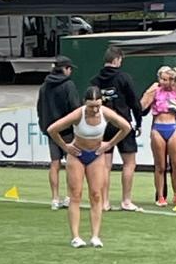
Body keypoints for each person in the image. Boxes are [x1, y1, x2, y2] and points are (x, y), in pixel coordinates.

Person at [46, 86, 133, 247]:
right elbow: (52, 129)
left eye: (97, 105)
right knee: (75, 195)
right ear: (85, 103)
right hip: (77, 155)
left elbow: (126, 127)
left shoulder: (105, 112)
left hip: (96, 155)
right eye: (91, 105)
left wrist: (109, 144)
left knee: (96, 194)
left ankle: (95, 236)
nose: (94, 109)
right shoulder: (79, 114)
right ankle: (76, 236)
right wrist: (66, 147)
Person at [90, 46, 145, 211]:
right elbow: (134, 102)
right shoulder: (124, 78)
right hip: (122, 123)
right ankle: (126, 200)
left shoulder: (95, 80)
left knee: (105, 165)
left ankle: (104, 202)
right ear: (116, 60)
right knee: (129, 162)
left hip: (103, 125)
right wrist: (139, 121)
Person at [36, 56, 79, 210]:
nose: (71, 71)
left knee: (54, 163)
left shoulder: (44, 86)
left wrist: (45, 127)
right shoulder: (68, 85)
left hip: (51, 129)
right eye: (69, 68)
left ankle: (55, 198)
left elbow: (40, 107)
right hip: (67, 130)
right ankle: (69, 196)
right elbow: (75, 107)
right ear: (65, 69)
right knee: (70, 164)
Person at [140, 66, 176, 207]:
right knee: (160, 165)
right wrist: (149, 92)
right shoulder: (155, 91)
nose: (163, 82)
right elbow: (142, 106)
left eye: (166, 79)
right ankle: (160, 196)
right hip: (158, 127)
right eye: (161, 79)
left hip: (173, 126)